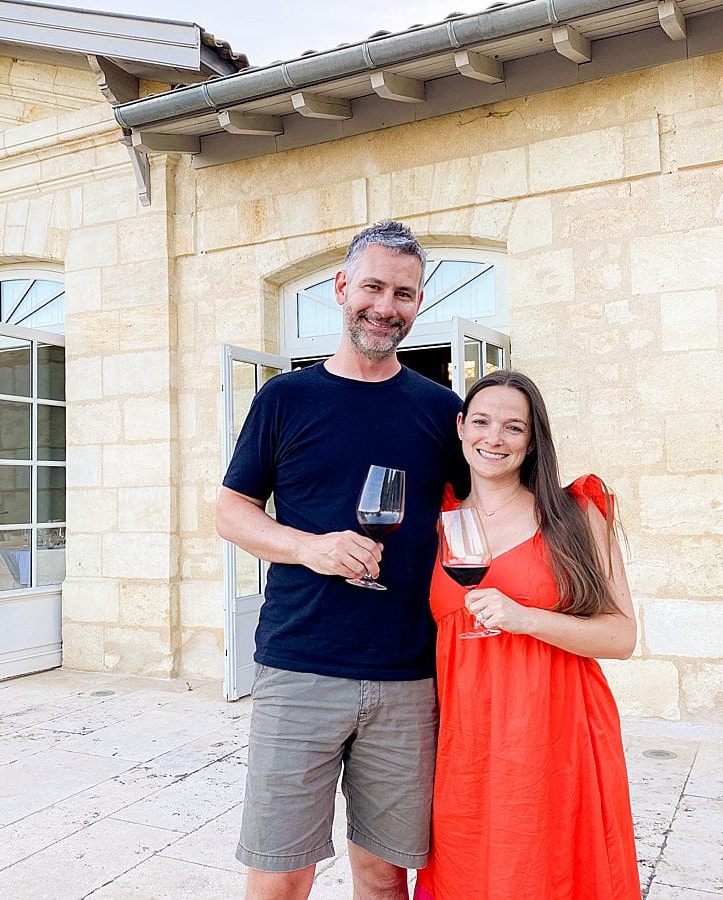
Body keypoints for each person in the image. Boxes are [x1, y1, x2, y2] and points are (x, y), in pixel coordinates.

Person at [216, 220, 466, 900]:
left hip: (408, 680)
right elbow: (230, 511)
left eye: (405, 294)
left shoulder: (442, 411)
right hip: (299, 668)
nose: (386, 307)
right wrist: (310, 548)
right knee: (280, 871)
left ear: (420, 304)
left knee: (384, 874)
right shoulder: (285, 399)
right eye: (374, 287)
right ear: (341, 287)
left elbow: (483, 513)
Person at [415, 369, 641, 900]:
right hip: (465, 739)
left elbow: (621, 637)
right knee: (467, 868)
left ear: (533, 438)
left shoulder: (575, 513)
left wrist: (526, 618)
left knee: (550, 868)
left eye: (513, 428)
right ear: (460, 427)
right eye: (482, 422)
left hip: (555, 733)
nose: (494, 438)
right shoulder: (438, 520)